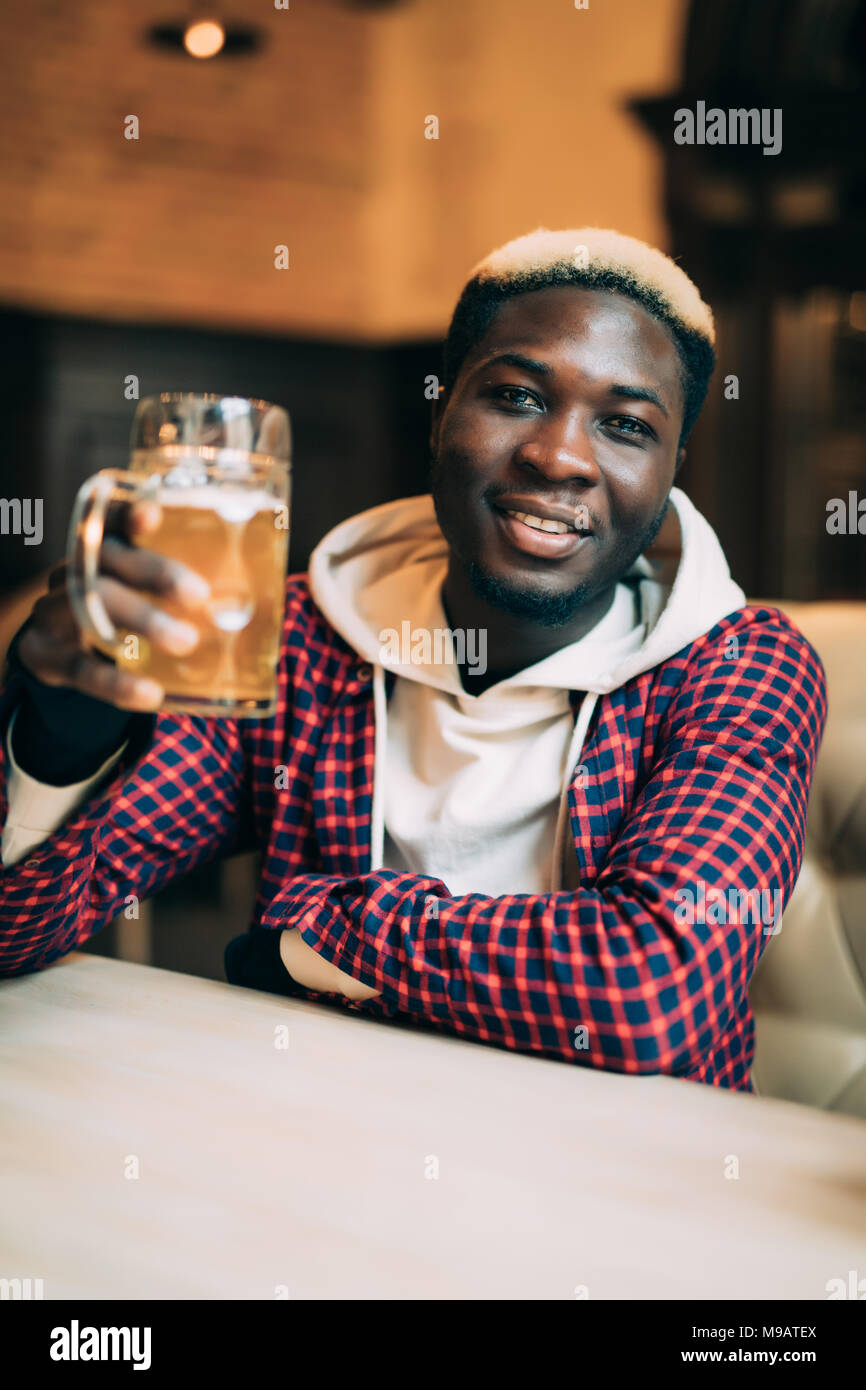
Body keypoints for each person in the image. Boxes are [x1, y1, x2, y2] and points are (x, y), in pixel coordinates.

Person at [0, 226, 827, 1090]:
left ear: (669, 472)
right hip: (329, 1152)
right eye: (514, 397)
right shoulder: (307, 644)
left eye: (624, 425)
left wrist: (316, 935)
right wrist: (60, 737)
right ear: (440, 417)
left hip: (629, 1189)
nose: (560, 456)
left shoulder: (740, 668)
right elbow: (21, 922)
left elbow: (650, 999)